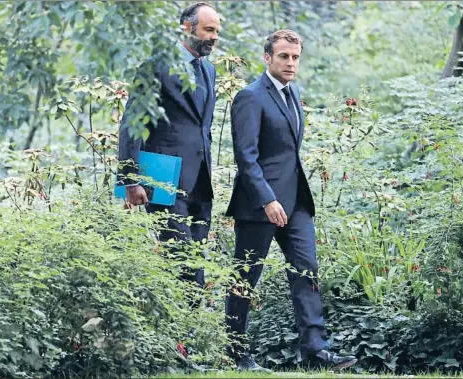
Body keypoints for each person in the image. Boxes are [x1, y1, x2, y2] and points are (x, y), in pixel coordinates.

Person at [225, 30, 358, 371]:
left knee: (306, 270)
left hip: (296, 201)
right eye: (283, 56)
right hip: (259, 204)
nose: (290, 63)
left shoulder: (293, 92)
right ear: (267, 58)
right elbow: (246, 157)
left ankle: (315, 351)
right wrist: (268, 200)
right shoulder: (250, 97)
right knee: (245, 277)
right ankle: (235, 353)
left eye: (295, 57)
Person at [118, 2, 220, 294]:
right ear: (186, 28)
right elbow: (132, 124)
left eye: (216, 31)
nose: (214, 37)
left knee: (197, 261)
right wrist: (130, 179)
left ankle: (189, 331)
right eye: (208, 30)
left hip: (201, 182)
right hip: (163, 178)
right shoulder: (156, 66)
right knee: (181, 260)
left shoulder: (209, 71)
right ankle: (181, 335)